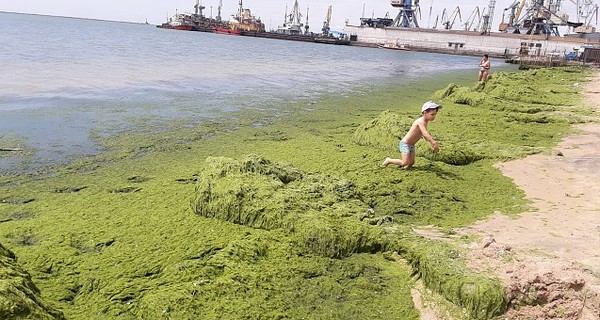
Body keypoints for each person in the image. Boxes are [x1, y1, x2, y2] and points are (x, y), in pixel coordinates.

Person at [382, 101, 441, 169]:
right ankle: (389, 160)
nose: (434, 116)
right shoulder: (421, 121)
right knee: (405, 162)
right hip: (405, 144)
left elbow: (422, 133)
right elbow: (425, 133)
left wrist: (427, 140)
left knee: (411, 163)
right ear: (425, 113)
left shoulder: (425, 122)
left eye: (435, 114)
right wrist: (434, 143)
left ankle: (403, 168)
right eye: (432, 114)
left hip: (411, 144)